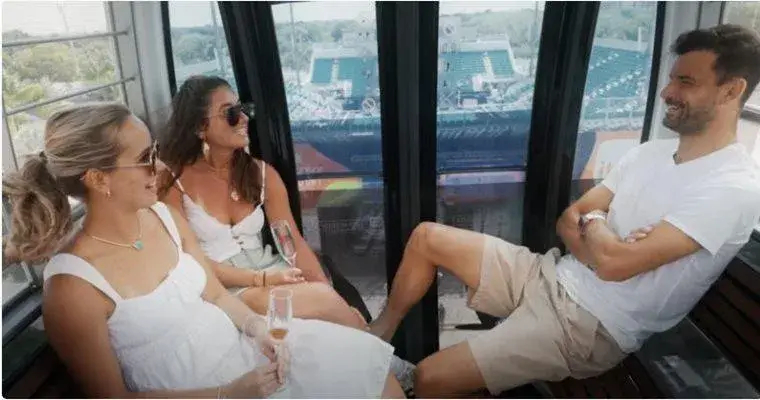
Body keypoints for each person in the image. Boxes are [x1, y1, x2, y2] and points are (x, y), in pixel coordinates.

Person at [368, 24, 760, 397]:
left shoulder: (731, 187)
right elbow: (570, 220)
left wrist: (597, 228)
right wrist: (601, 238)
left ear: (732, 91)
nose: (667, 92)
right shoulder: (650, 154)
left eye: (686, 82)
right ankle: (376, 344)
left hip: (591, 324)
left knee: (429, 380)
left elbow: (613, 263)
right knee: (427, 237)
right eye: (672, 79)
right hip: (552, 274)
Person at [3, 103, 404, 398]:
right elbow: (114, 398)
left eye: (155, 152)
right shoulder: (73, 287)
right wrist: (228, 394)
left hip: (243, 352)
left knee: (379, 380)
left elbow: (215, 294)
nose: (161, 168)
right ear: (98, 179)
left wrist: (258, 330)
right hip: (201, 391)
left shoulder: (163, 217)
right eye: (145, 159)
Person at [158, 76, 369, 330]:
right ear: (200, 127)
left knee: (332, 313)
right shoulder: (174, 182)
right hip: (226, 288)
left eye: (242, 109)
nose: (244, 118)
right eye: (230, 113)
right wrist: (262, 279)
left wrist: (329, 293)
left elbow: (293, 243)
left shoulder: (261, 174)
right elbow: (190, 261)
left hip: (274, 273)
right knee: (327, 307)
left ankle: (370, 340)